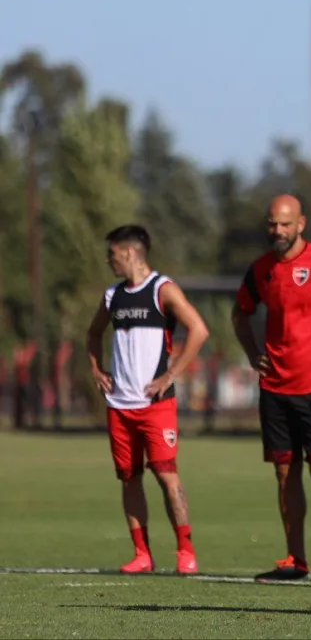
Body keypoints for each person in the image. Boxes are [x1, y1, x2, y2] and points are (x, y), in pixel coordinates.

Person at [231, 194, 311, 584]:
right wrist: (254, 354)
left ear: (301, 223)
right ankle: (296, 560)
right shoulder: (261, 269)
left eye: (285, 224)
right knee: (286, 476)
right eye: (272, 224)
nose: (278, 231)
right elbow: (240, 314)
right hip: (275, 390)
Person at [85, 225, 210, 574]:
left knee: (167, 476)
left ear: (129, 253)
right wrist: (97, 369)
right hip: (119, 406)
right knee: (129, 477)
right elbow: (93, 333)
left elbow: (199, 330)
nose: (109, 261)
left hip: (156, 407)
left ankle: (185, 551)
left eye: (112, 254)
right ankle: (142, 554)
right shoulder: (112, 297)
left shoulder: (162, 290)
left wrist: (170, 376)